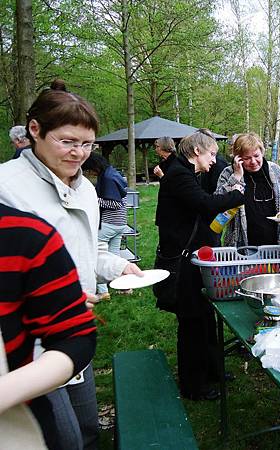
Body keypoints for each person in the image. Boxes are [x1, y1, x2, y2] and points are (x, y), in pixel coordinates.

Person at [0, 79, 142, 450]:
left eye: (86, 144)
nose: (79, 153)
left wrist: (117, 267)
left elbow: (87, 250)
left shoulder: (87, 189)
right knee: (61, 438)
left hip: (74, 332)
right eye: (67, 141)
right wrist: (67, 295)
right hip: (29, 345)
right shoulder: (7, 187)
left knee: (88, 427)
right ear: (35, 130)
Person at [155, 130, 244, 401]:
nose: (215, 161)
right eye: (212, 154)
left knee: (205, 316)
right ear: (197, 152)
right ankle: (194, 386)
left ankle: (212, 370)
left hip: (192, 258)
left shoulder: (185, 172)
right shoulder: (179, 175)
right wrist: (237, 192)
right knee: (192, 322)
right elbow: (206, 204)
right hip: (181, 264)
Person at [0, 203, 96, 450]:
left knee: (81, 431)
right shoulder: (9, 183)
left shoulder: (26, 235)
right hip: (39, 360)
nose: (78, 160)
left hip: (21, 419)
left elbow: (77, 336)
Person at [215, 132, 280, 246]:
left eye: (256, 156)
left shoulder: (275, 170)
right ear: (238, 158)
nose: (253, 161)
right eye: (247, 158)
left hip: (277, 244)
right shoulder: (228, 173)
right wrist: (236, 177)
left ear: (262, 152)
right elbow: (218, 204)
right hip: (240, 245)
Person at [82, 152, 129, 300]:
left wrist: (94, 200)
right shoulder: (113, 173)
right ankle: (124, 287)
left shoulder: (107, 178)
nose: (90, 173)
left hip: (109, 223)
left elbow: (115, 203)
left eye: (89, 170)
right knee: (114, 257)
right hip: (120, 222)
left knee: (96, 252)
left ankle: (103, 292)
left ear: (94, 166)